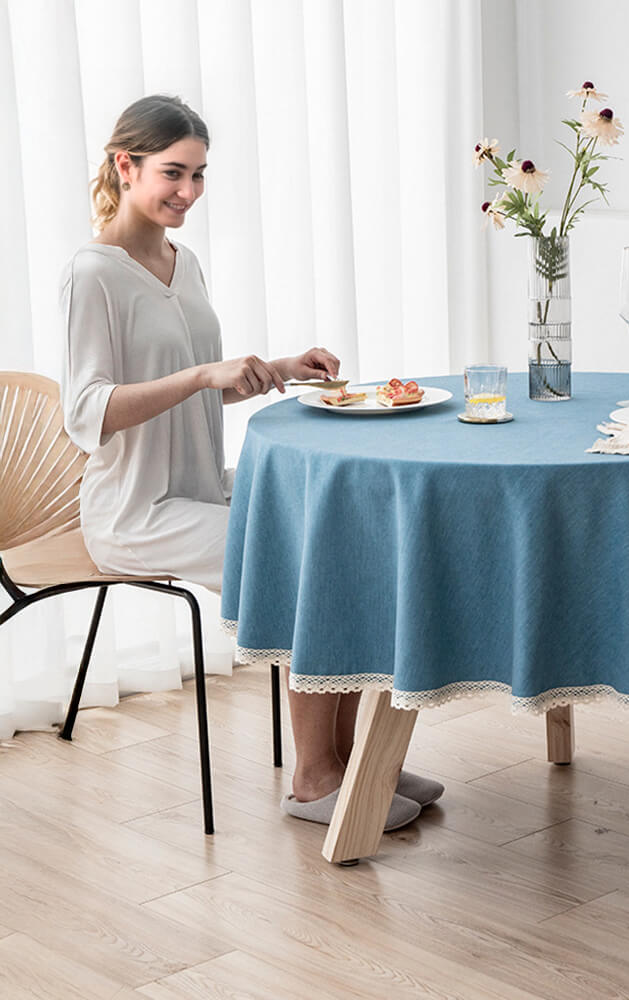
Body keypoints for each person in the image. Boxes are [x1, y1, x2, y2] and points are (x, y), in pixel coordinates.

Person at [60, 95, 441, 830]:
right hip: (137, 511)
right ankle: (313, 777)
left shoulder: (182, 261)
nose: (189, 193)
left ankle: (361, 760)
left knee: (349, 531)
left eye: (199, 175)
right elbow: (90, 414)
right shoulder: (92, 274)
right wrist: (205, 374)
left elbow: (190, 388)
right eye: (174, 173)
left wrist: (274, 368)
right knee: (307, 563)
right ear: (124, 164)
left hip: (200, 488)